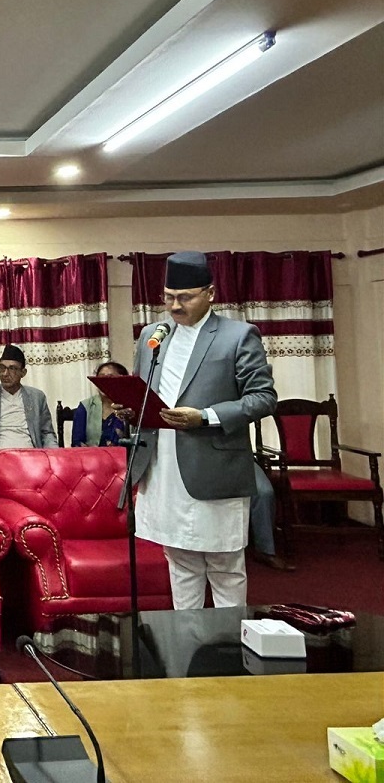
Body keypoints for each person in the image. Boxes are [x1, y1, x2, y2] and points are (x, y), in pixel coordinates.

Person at [129, 251, 277, 609]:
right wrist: (131, 407)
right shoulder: (153, 335)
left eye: (185, 297)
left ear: (210, 293)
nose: (174, 306)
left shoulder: (238, 336)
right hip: (163, 466)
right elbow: (144, 390)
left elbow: (263, 398)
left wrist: (206, 417)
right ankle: (187, 638)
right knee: (180, 562)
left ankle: (229, 640)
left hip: (214, 466)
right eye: (168, 297)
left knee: (224, 564)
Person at [0, 344, 58, 471]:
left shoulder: (37, 397)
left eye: (12, 368)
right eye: (2, 368)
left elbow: (47, 433)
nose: (5, 373)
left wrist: (54, 455)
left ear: (23, 373)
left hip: (32, 461)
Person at [71, 361, 130, 447]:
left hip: (124, 455)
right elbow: (77, 441)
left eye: (110, 378)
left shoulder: (129, 407)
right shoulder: (86, 406)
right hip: (90, 455)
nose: (104, 382)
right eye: (101, 378)